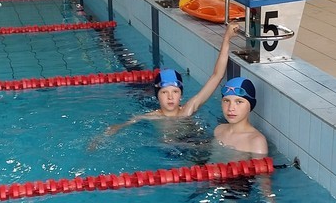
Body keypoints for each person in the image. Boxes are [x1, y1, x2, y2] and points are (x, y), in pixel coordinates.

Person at [98, 24, 241, 142]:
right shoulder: (152, 116)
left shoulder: (188, 110)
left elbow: (217, 76)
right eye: (164, 92)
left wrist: (227, 38)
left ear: (181, 95)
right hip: (170, 152)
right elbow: (121, 125)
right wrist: (103, 136)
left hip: (194, 143)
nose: (170, 97)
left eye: (175, 92)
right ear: (157, 95)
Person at [213, 77, 268, 157]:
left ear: (251, 105)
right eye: (226, 101)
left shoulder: (256, 142)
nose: (230, 108)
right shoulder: (218, 130)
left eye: (239, 102)